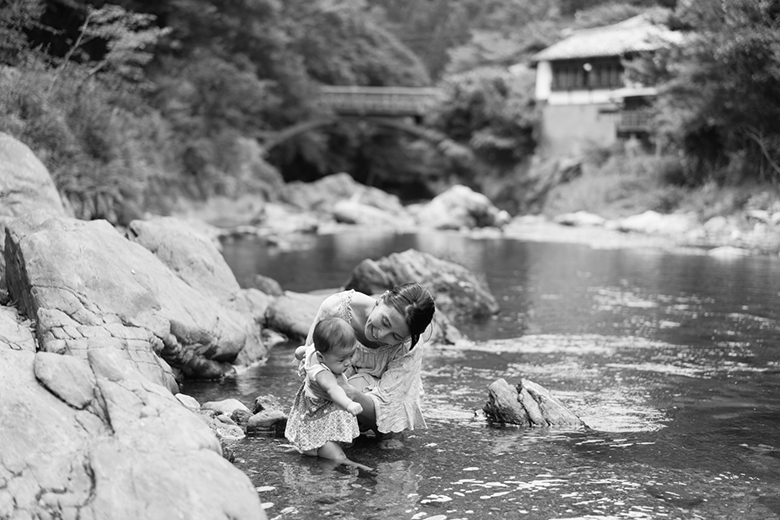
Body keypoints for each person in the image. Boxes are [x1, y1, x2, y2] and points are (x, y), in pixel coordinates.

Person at [302, 282, 436, 449]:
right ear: (381, 299)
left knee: (388, 438)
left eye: (395, 336)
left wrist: (350, 392)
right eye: (385, 322)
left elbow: (390, 411)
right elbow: (310, 361)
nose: (381, 335)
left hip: (370, 403)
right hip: (331, 392)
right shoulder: (337, 309)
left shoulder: (409, 346)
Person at [285, 317, 371, 471]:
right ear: (321, 357)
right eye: (341, 359)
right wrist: (348, 403)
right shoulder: (323, 374)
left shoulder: (314, 351)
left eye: (351, 356)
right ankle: (349, 463)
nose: (348, 363)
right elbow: (333, 390)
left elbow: (300, 351)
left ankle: (313, 447)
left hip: (311, 409)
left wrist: (299, 355)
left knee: (335, 438)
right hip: (318, 411)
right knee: (336, 454)